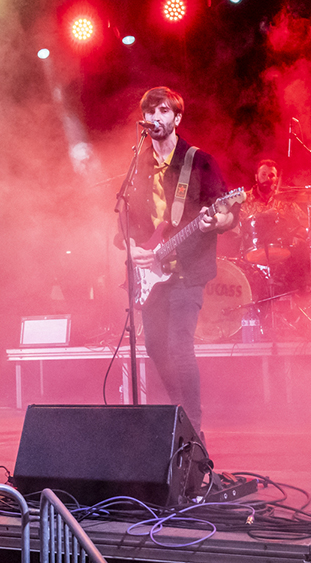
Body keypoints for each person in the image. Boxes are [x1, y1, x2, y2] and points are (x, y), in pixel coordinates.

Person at [124, 87, 238, 437]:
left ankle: (194, 433)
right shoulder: (138, 165)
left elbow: (230, 212)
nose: (155, 118)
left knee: (179, 346)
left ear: (177, 118)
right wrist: (132, 247)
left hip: (188, 273)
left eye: (163, 111)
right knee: (155, 347)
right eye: (150, 111)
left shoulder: (199, 161)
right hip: (151, 273)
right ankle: (179, 415)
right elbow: (125, 219)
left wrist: (216, 220)